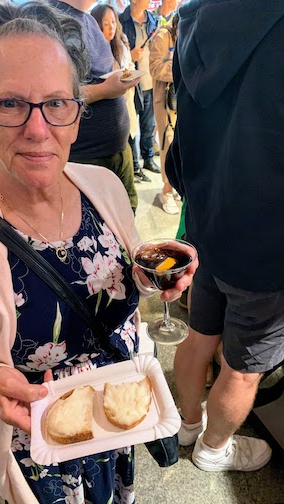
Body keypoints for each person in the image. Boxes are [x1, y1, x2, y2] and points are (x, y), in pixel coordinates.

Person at [0, 2, 196, 502]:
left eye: (56, 102)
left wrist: (152, 273)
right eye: (9, 104)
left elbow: (120, 271)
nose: (37, 129)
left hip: (119, 416)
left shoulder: (103, 186)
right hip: (43, 447)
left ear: (76, 114)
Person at [166, 0, 284, 472]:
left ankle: (187, 425)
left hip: (205, 228)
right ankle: (213, 451)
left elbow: (180, 152)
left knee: (198, 336)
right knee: (243, 366)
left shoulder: (197, 17)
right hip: (267, 247)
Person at [50, 0, 140, 213]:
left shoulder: (88, 19)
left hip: (117, 149)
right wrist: (106, 90)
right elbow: (51, 96)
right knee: (95, 229)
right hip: (85, 156)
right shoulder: (48, 18)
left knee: (126, 218)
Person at [91, 3, 148, 183]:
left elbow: (129, 65)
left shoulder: (121, 42)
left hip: (126, 102)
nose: (111, 27)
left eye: (113, 22)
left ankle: (135, 170)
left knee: (131, 138)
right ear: (95, 25)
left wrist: (130, 74)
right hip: (104, 112)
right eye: (105, 23)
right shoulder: (92, 49)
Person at [119, 0, 160, 176]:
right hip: (132, 84)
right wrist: (131, 55)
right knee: (131, 125)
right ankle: (135, 165)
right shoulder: (121, 21)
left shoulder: (154, 20)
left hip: (150, 81)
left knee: (149, 125)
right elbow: (117, 51)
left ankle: (148, 158)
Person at [149, 14, 180, 214]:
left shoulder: (184, 35)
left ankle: (175, 183)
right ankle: (166, 190)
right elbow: (154, 68)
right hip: (165, 100)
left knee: (179, 143)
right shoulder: (162, 36)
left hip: (181, 100)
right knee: (167, 143)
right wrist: (179, 64)